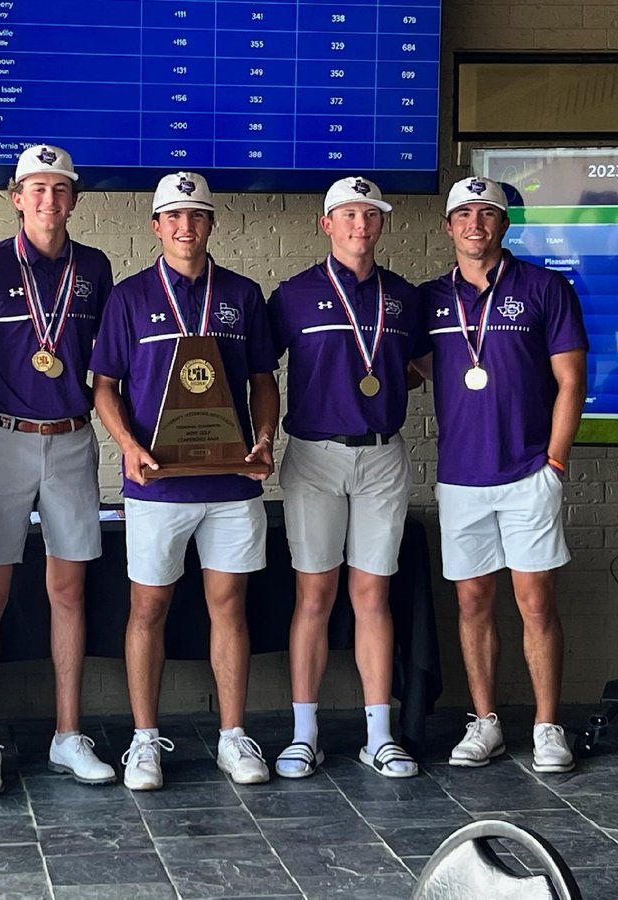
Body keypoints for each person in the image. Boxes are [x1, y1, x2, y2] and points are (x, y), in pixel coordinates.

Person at [90, 171, 279, 791]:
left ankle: (231, 735)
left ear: (211, 223)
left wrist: (264, 437)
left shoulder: (244, 294)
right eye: (173, 216)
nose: (185, 226)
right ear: (156, 226)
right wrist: (128, 446)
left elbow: (261, 380)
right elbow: (104, 387)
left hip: (230, 483)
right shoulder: (128, 296)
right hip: (156, 483)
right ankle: (145, 741)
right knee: (148, 608)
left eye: (196, 215)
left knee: (230, 607)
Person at [414, 176, 588, 774]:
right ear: (449, 227)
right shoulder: (430, 299)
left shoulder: (546, 287)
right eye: (464, 214)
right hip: (461, 476)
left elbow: (571, 381)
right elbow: (406, 366)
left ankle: (546, 726)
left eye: (487, 214)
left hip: (527, 473)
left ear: (504, 223)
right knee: (473, 601)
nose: (476, 224)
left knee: (535, 601)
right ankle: (484, 723)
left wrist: (556, 461)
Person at [0, 144, 116, 792]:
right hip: (2, 440)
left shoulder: (95, 269)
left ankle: (68, 735)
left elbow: (109, 367)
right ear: (16, 198)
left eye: (60, 189)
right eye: (36, 190)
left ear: (74, 199)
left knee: (68, 592)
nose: (49, 201)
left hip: (72, 441)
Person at [266, 176, 428, 780]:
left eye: (371, 215)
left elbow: (415, 369)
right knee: (314, 595)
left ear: (381, 225)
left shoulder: (406, 299)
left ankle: (379, 735)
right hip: (314, 457)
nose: (361, 225)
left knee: (372, 595)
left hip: (382, 456)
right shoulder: (292, 296)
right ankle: (304, 733)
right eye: (348, 216)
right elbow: (255, 370)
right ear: (326, 225)